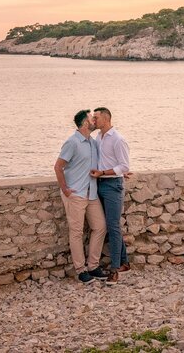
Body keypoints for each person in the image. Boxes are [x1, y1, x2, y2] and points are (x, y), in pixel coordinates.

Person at [54, 110, 108, 284]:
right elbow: (58, 167)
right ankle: (80, 270)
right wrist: (66, 190)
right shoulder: (72, 142)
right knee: (76, 232)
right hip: (76, 194)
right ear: (85, 123)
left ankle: (93, 266)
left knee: (100, 227)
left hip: (91, 193)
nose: (94, 121)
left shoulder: (93, 142)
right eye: (92, 119)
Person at [91, 107, 130, 286]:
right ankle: (124, 262)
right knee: (110, 225)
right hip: (100, 184)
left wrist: (105, 172)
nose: (94, 120)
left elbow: (124, 166)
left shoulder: (118, 139)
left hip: (113, 185)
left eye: (96, 118)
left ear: (106, 119)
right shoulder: (99, 137)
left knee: (113, 226)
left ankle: (114, 270)